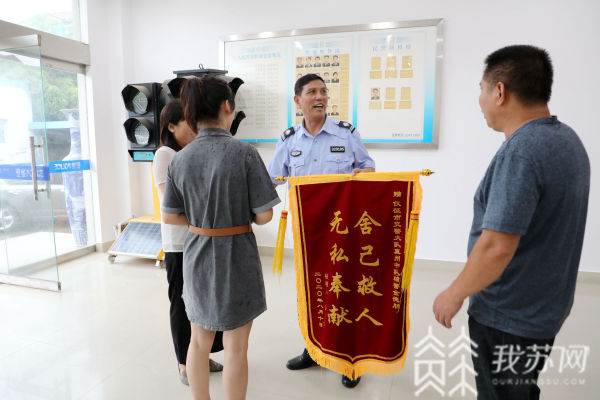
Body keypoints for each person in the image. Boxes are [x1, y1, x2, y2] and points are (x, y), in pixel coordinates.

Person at [433, 45, 590, 400]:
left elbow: (497, 246)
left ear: (499, 92)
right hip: (544, 307)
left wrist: (454, 293)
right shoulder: (567, 140)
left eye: (481, 89)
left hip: (508, 315)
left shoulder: (521, 152)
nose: (480, 100)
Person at [162, 76, 280, 400]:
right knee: (236, 347)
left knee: (198, 342)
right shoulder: (244, 153)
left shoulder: (180, 158)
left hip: (197, 252)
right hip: (237, 254)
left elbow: (170, 215)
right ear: (228, 107)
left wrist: (200, 223)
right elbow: (265, 215)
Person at [268, 73, 375, 389]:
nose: (320, 97)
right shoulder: (289, 140)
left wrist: (361, 175)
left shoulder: (346, 133)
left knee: (344, 291)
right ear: (297, 100)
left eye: (324, 92)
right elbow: (272, 178)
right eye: (312, 92)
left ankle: (349, 358)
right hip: (306, 233)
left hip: (343, 231)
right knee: (312, 291)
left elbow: (368, 166)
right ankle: (314, 349)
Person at [153, 99, 224, 386]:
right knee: (181, 303)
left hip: (201, 240)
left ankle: (200, 355)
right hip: (180, 244)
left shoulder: (190, 152)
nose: (195, 127)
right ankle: (184, 362)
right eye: (188, 122)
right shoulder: (165, 154)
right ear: (171, 126)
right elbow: (171, 203)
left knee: (203, 302)